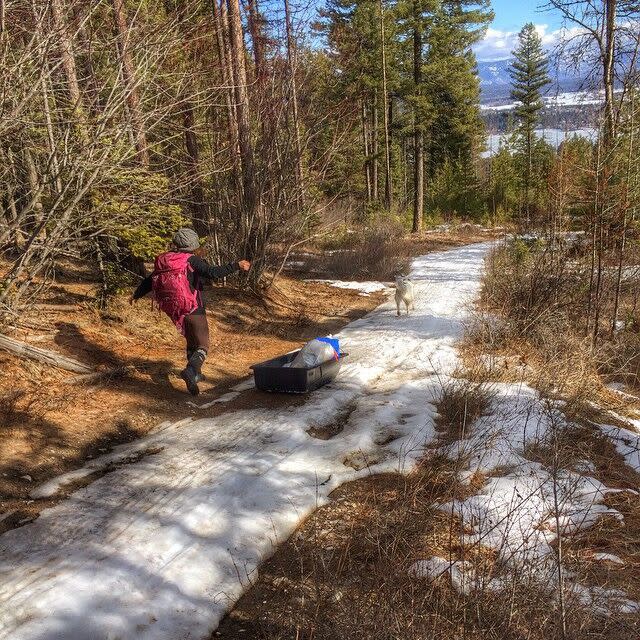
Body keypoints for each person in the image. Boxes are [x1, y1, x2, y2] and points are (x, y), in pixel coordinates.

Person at [130, 228, 251, 396]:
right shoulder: (191, 260)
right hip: (194, 308)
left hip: (174, 309)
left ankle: (194, 375)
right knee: (202, 345)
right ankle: (191, 371)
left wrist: (136, 294)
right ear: (193, 244)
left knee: (191, 341)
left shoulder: (165, 260)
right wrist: (236, 265)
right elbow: (212, 273)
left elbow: (150, 281)